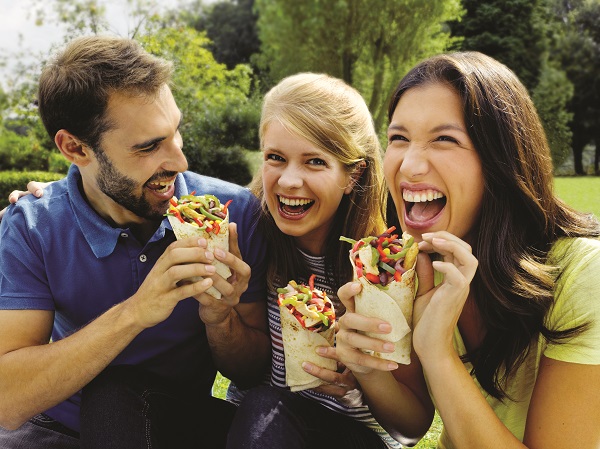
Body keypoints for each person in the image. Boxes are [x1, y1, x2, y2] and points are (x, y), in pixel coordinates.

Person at [0, 35, 270, 449]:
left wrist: (221, 320)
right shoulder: (32, 227)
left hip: (173, 423)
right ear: (75, 148)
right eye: (148, 147)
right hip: (54, 427)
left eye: (175, 133)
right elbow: (9, 399)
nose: (179, 162)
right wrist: (136, 312)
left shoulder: (235, 211)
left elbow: (252, 373)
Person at [333, 51, 600, 449]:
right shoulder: (414, 266)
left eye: (444, 139)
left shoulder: (582, 272)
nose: (409, 165)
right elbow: (411, 427)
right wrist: (369, 369)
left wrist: (437, 352)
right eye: (398, 138)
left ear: (501, 160)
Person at [225, 73, 433, 449]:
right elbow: (239, 371)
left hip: (347, 438)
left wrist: (365, 373)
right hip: (253, 432)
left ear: (353, 175)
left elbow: (413, 427)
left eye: (314, 162)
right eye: (276, 158)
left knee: (265, 402)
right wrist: (217, 315)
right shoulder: (248, 242)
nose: (289, 181)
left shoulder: (389, 270)